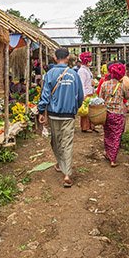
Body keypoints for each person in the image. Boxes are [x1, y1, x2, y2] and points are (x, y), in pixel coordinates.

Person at [38, 48, 83, 187]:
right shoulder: (74, 75)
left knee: (56, 142)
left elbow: (45, 95)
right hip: (69, 115)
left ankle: (64, 168)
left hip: (53, 114)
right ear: (68, 57)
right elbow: (80, 96)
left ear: (55, 58)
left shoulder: (50, 74)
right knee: (67, 143)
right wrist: (74, 108)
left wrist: (41, 111)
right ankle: (66, 174)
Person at [97, 62, 129, 167]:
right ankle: (113, 159)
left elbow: (100, 98)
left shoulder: (104, 84)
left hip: (106, 113)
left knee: (107, 133)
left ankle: (108, 153)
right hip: (119, 113)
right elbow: (127, 96)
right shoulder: (122, 86)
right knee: (116, 135)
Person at [77, 52, 96, 132]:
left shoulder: (87, 70)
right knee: (85, 110)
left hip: (90, 91)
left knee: (89, 110)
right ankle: (85, 127)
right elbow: (81, 84)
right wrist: (83, 95)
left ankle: (90, 126)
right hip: (86, 93)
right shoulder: (82, 71)